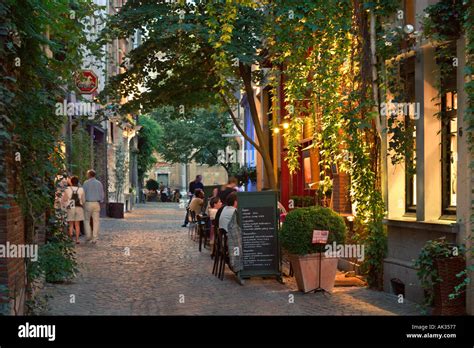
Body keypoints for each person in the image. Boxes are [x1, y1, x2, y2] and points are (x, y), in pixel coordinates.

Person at [82, 169, 104, 244]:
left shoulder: (85, 183)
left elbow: (83, 193)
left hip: (88, 203)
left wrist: (83, 202)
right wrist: (101, 201)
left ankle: (88, 236)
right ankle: (95, 238)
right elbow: (102, 194)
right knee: (96, 221)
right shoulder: (99, 183)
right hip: (96, 203)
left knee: (86, 220)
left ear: (89, 175)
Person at [61, 176, 85, 244]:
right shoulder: (81, 189)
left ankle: (71, 239)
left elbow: (64, 199)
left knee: (71, 224)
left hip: (71, 206)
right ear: (78, 182)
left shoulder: (67, 189)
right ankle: (77, 239)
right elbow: (83, 200)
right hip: (79, 207)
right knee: (77, 224)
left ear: (71, 181)